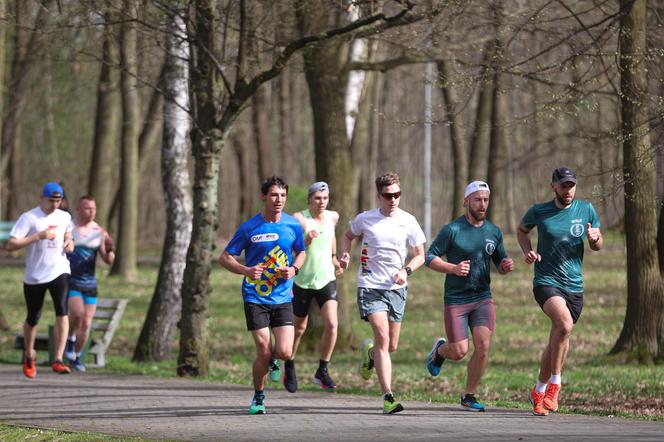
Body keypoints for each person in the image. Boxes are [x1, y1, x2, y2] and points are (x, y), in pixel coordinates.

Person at [516, 167, 603, 416]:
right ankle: (555, 384)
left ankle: (539, 390)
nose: (568, 190)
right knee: (564, 326)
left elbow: (597, 245)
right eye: (563, 185)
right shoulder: (539, 211)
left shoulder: (586, 210)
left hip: (575, 285)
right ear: (553, 186)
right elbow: (522, 230)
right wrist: (527, 250)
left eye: (572, 185)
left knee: (558, 336)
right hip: (546, 280)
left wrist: (595, 238)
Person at [339, 171, 426, 414]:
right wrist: (344, 255)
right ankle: (388, 397)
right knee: (383, 338)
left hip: (397, 288)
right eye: (388, 195)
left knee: (391, 345)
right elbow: (348, 236)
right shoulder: (366, 219)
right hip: (370, 286)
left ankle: (369, 353)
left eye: (397, 194)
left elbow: (420, 255)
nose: (393, 199)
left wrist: (406, 270)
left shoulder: (408, 221)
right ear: (379, 196)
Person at [424, 181, 514, 412]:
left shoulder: (493, 231)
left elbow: (499, 263)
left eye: (485, 199)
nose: (482, 204)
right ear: (466, 201)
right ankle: (440, 351)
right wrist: (452, 268)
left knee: (483, 346)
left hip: (483, 297)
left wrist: (505, 265)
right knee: (460, 351)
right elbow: (430, 258)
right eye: (477, 199)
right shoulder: (452, 230)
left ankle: (468, 396)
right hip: (456, 300)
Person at [219, 176, 306, 415]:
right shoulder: (250, 227)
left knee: (286, 351)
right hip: (255, 297)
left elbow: (301, 252)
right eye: (274, 195)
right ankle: (259, 396)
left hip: (283, 297)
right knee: (264, 351)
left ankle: (277, 361)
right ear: (264, 197)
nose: (279, 200)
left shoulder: (292, 225)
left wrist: (294, 269)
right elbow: (225, 258)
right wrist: (246, 270)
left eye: (283, 196)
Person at [6, 182, 75, 377]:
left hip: (59, 270)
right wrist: (38, 236)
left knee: (63, 311)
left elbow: (68, 233)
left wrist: (71, 242)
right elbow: (11, 245)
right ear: (41, 198)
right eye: (51, 200)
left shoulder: (65, 216)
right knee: (33, 317)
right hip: (35, 275)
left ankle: (58, 359)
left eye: (58, 201)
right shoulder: (29, 218)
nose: (55, 205)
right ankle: (29, 353)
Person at [282, 181, 343, 393]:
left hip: (326, 278)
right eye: (317, 198)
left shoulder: (332, 217)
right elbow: (290, 247)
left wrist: (335, 259)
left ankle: (322, 370)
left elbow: (332, 235)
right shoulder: (300, 219)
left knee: (332, 324)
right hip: (302, 281)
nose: (322, 202)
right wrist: (306, 241)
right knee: (298, 329)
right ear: (310, 199)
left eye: (325, 198)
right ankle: (289, 364)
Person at [64, 196, 115, 371]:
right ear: (78, 210)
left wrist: (109, 250)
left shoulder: (99, 232)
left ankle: (77, 357)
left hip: (90, 284)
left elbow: (108, 260)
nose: (91, 212)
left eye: (93, 208)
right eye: (87, 208)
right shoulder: (68, 227)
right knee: (77, 314)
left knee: (86, 323)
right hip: (71, 281)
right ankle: (69, 339)